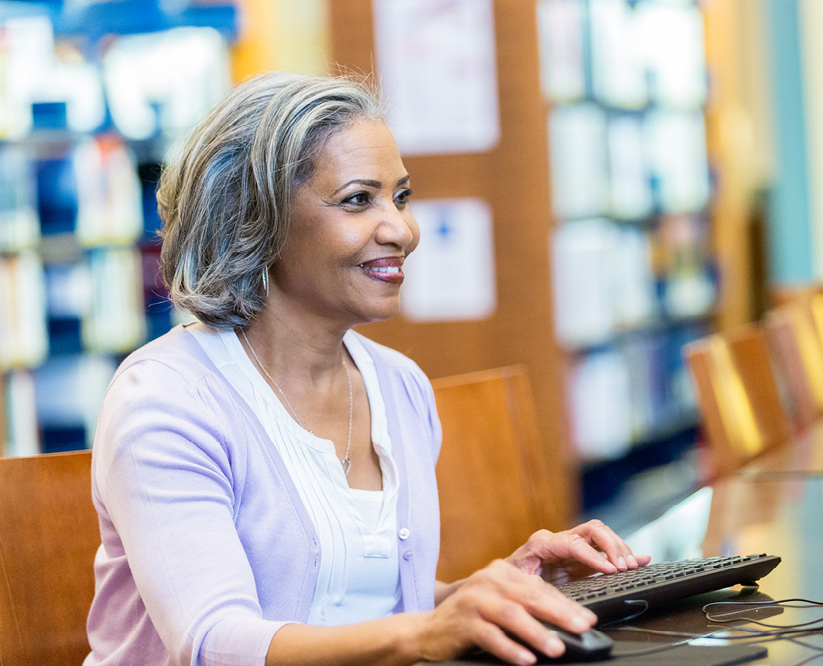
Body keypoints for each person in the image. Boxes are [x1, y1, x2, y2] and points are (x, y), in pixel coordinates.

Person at [84, 72, 649, 666]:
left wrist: (494, 592)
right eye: (359, 199)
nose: (402, 230)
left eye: (401, 197)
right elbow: (212, 645)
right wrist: (426, 635)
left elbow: (360, 606)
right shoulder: (167, 400)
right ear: (256, 219)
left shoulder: (399, 385)